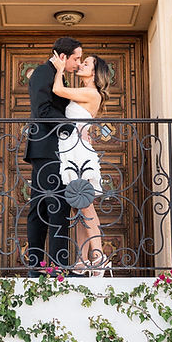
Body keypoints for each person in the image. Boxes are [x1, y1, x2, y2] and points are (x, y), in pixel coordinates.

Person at [24, 36, 82, 274]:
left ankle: (45, 266)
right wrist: (72, 127)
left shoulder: (57, 75)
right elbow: (43, 110)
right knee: (49, 206)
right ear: (61, 56)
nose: (78, 63)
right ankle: (53, 267)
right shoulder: (42, 73)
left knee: (46, 206)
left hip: (54, 150)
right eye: (75, 58)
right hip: (47, 150)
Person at [51, 50, 112, 275]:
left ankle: (98, 256)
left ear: (96, 74)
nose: (81, 65)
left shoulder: (91, 93)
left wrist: (59, 69)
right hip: (71, 149)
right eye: (82, 62)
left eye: (86, 64)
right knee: (77, 206)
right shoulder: (85, 91)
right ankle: (81, 258)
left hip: (79, 153)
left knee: (85, 204)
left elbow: (57, 90)